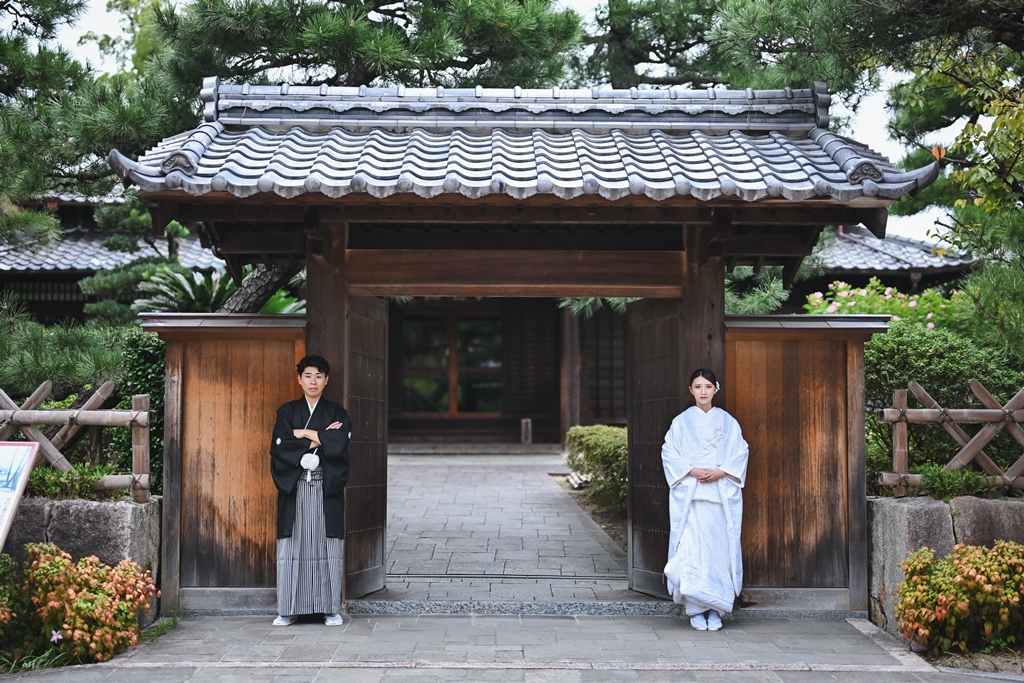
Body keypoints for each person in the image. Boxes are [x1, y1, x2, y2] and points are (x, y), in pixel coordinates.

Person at [661, 368, 748, 631]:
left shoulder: (728, 422)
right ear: (691, 390)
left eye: (707, 387)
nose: (702, 391)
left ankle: (716, 608)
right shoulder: (680, 422)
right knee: (693, 552)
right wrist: (691, 470)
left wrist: (722, 472)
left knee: (718, 552)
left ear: (715, 389)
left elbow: (740, 452)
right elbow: (669, 453)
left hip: (720, 498)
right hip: (692, 498)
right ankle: (695, 608)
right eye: (697, 387)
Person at [270, 354, 351, 626]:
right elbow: (280, 446)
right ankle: (288, 609)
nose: (313, 381)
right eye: (308, 376)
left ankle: (330, 609)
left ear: (326, 380)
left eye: (318, 376)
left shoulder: (338, 412)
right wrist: (322, 437)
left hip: (325, 487)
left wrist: (304, 434)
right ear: (299, 379)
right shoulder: (286, 411)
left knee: (326, 545)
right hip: (295, 487)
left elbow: (340, 442)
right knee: (293, 547)